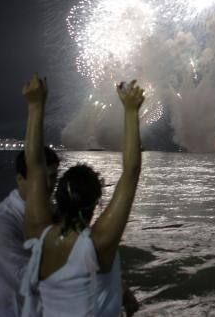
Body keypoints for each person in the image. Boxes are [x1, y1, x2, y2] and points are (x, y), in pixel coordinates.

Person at [20, 75, 144, 317]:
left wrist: (35, 106)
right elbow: (131, 172)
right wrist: (130, 111)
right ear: (96, 203)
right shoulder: (98, 245)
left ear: (57, 196)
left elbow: (34, 166)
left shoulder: (37, 233)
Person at [0, 148, 59, 317]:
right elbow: (28, 279)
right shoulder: (3, 222)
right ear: (20, 179)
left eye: (53, 177)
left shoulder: (55, 213)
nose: (48, 184)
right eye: (40, 178)